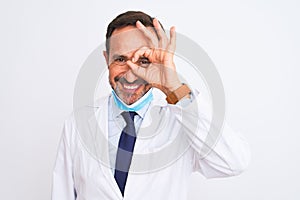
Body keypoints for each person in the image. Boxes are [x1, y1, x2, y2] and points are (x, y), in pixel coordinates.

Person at [52, 11, 250, 200]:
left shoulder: (183, 120)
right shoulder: (77, 124)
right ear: (106, 60)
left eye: (144, 60)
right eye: (120, 59)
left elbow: (233, 162)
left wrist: (173, 86)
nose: (130, 75)